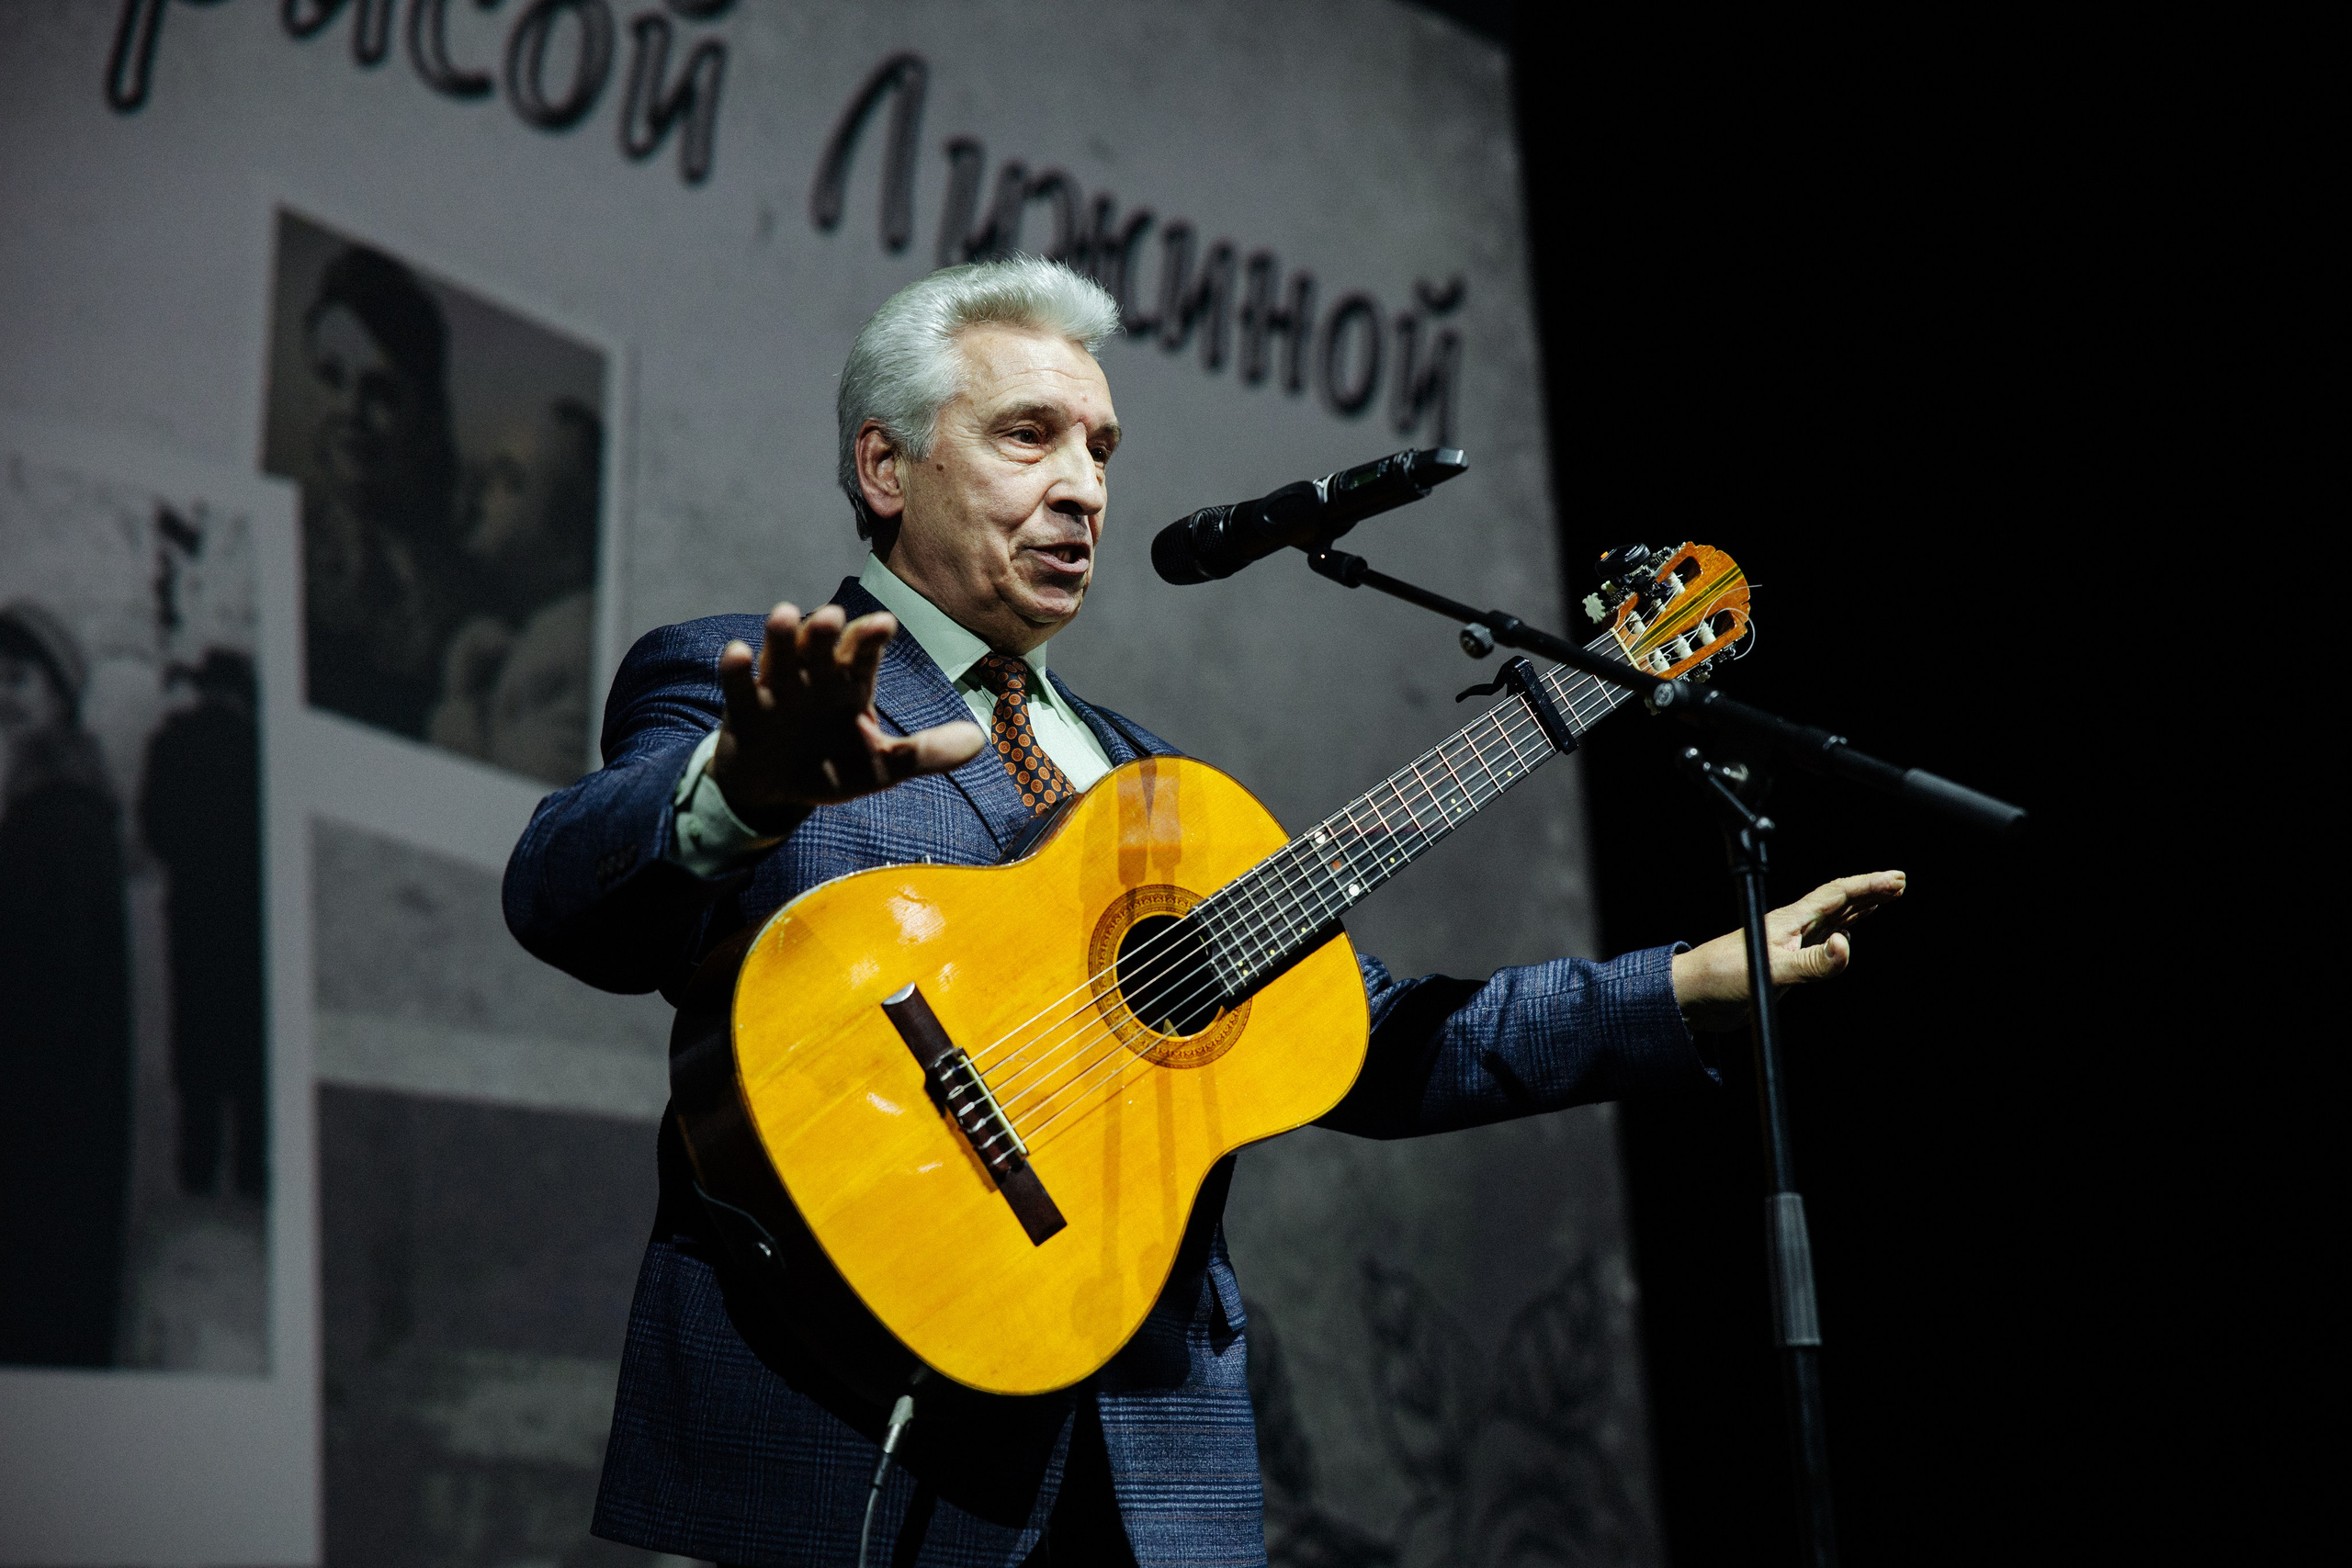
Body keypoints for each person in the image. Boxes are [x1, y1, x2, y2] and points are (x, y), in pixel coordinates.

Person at [503, 258, 1904, 1567]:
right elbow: (566, 895)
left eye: (1102, 450)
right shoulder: (746, 689)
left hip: (1153, 1470)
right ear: (886, 464)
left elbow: (1373, 1039)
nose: (1082, 488)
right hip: (843, 1424)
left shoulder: (1155, 782)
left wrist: (1686, 983)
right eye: (1029, 436)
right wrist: (735, 789)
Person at [0, 601, 133, 1367]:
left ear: (61, 693)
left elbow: (44, 1001)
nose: (4, 695)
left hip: (45, 1127)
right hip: (59, 1125)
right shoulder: (57, 805)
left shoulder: (57, 819)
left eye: (20, 677)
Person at [297, 243, 465, 739]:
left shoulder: (461, 590)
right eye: (331, 377)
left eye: (382, 392)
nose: (350, 411)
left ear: (425, 415)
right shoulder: (288, 550)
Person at [140, 648, 267, 1201]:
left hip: (192, 908)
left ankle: (197, 1164)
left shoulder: (171, 742)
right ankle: (251, 1167)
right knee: (249, 1033)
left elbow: (153, 827)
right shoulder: (260, 746)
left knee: (195, 1031)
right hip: (249, 911)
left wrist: (188, 860)